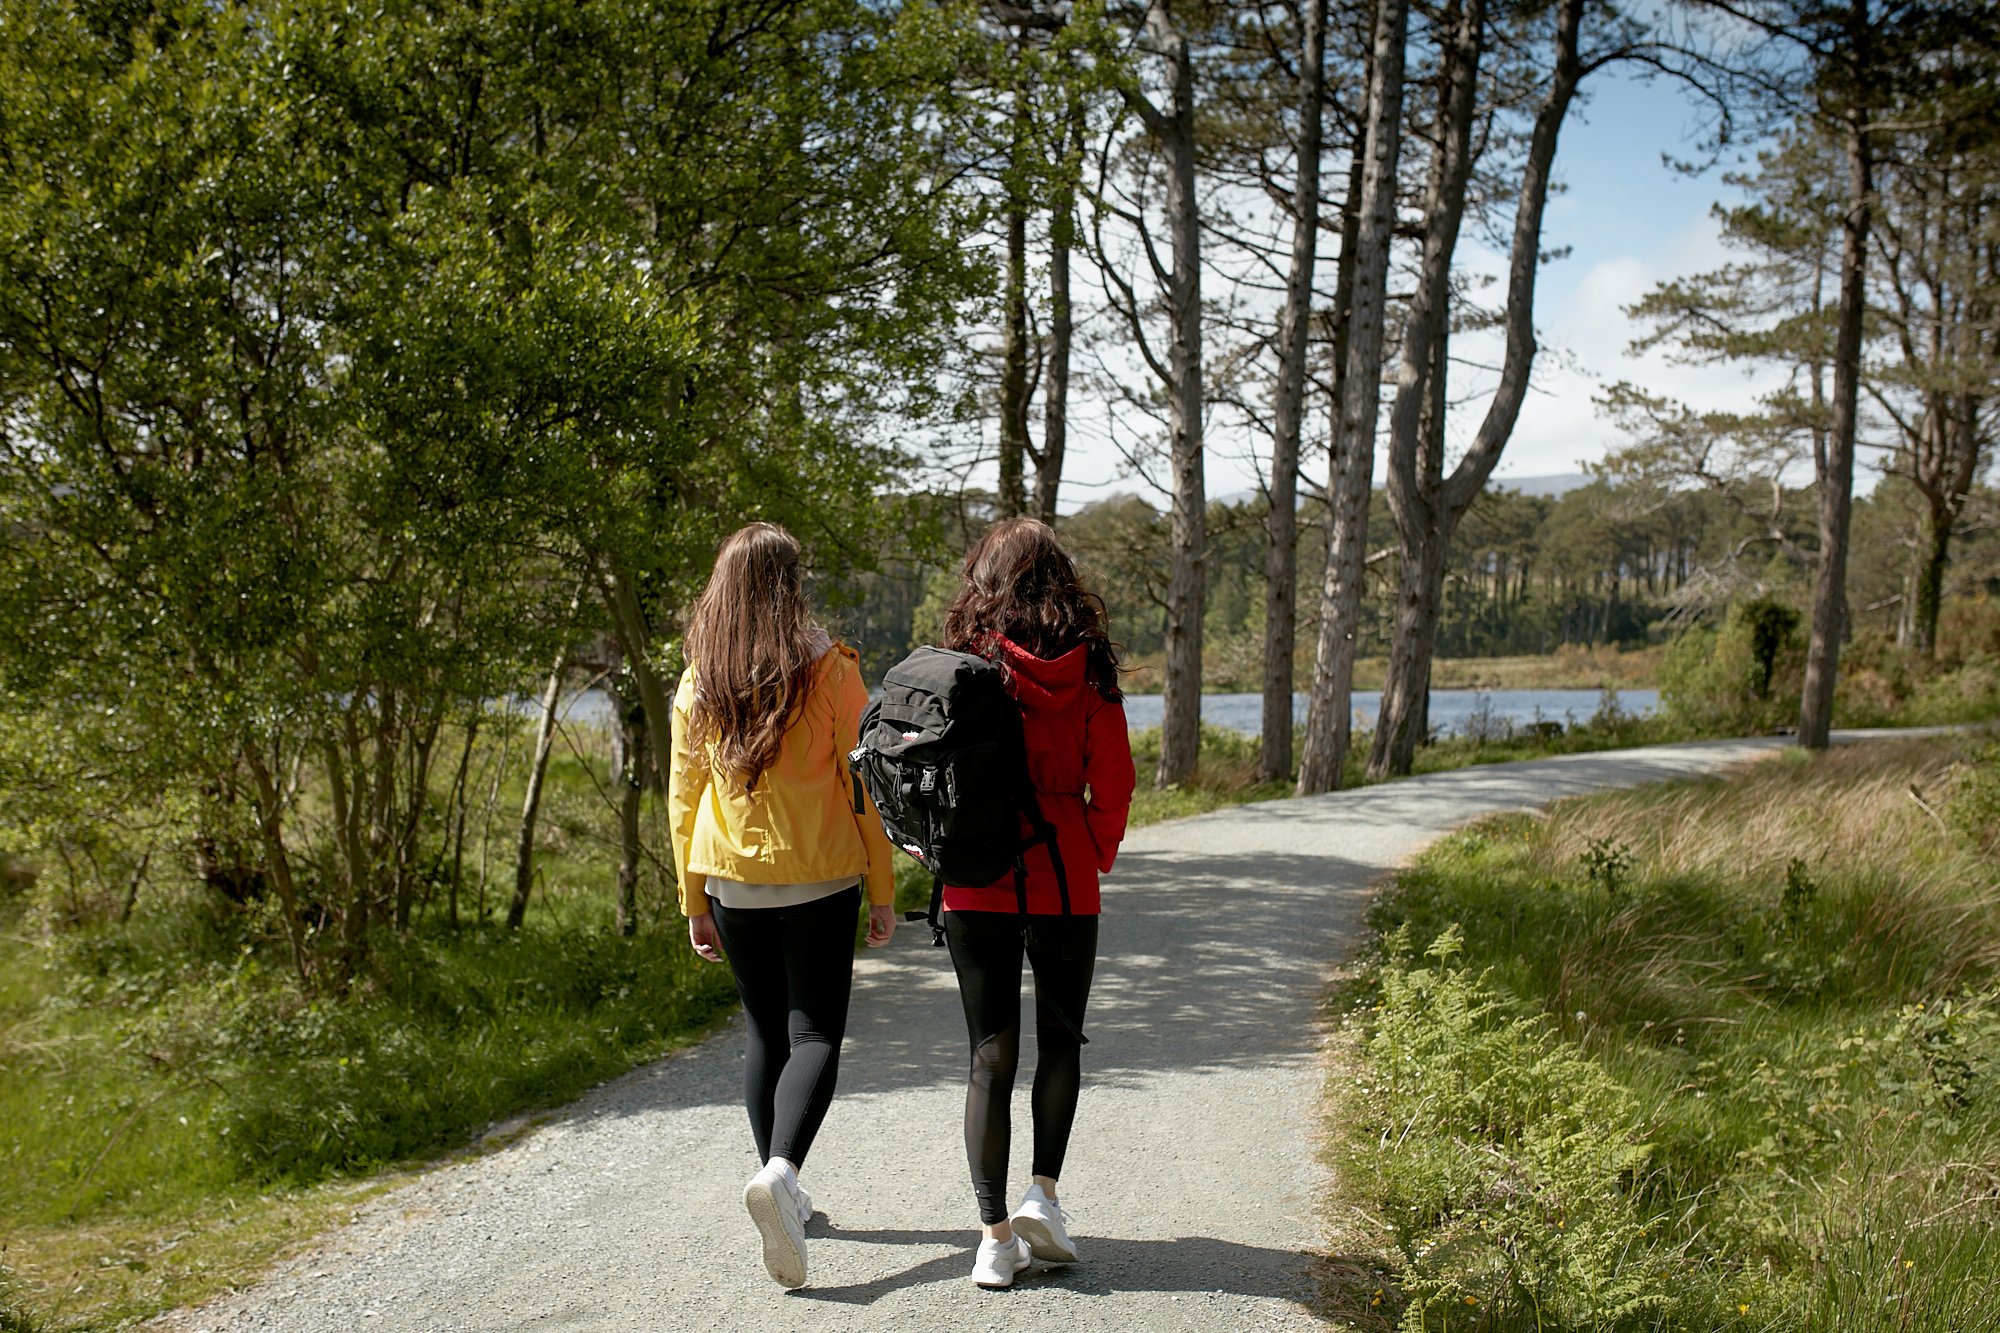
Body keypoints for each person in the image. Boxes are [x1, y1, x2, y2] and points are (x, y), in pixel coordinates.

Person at [667, 522, 898, 1291]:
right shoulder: (831, 670)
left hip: (730, 876)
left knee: (766, 1030)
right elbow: (864, 784)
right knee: (816, 1032)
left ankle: (782, 1185)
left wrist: (692, 895)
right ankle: (783, 1173)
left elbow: (683, 796)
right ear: (789, 586)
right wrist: (884, 883)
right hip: (821, 875)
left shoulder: (700, 679)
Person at [936, 517, 1136, 1289]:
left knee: (989, 1058)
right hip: (1064, 873)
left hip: (976, 873)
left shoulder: (963, 663)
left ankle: (992, 1239)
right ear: (1059, 579)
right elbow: (1112, 783)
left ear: (983, 581)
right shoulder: (1089, 670)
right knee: (1060, 1041)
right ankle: (1042, 1198)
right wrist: (1094, 849)